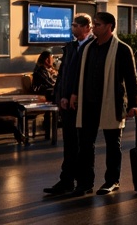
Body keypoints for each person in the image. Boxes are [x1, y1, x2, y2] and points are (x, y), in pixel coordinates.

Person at [67, 11, 137, 195]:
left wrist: (134, 103)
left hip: (111, 102)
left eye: (98, 24)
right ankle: (85, 183)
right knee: (85, 144)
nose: (94, 28)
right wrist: (75, 93)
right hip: (88, 102)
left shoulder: (122, 49)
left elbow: (132, 79)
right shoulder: (88, 48)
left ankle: (112, 180)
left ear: (109, 27)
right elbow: (79, 73)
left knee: (112, 144)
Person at [44, 14, 92, 195]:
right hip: (66, 101)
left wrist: (75, 94)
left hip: (82, 102)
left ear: (86, 27)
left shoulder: (92, 46)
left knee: (83, 143)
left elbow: (84, 75)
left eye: (76, 25)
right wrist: (61, 95)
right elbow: (65, 73)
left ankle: (84, 181)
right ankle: (66, 180)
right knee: (70, 143)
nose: (72, 28)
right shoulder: (71, 47)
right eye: (72, 25)